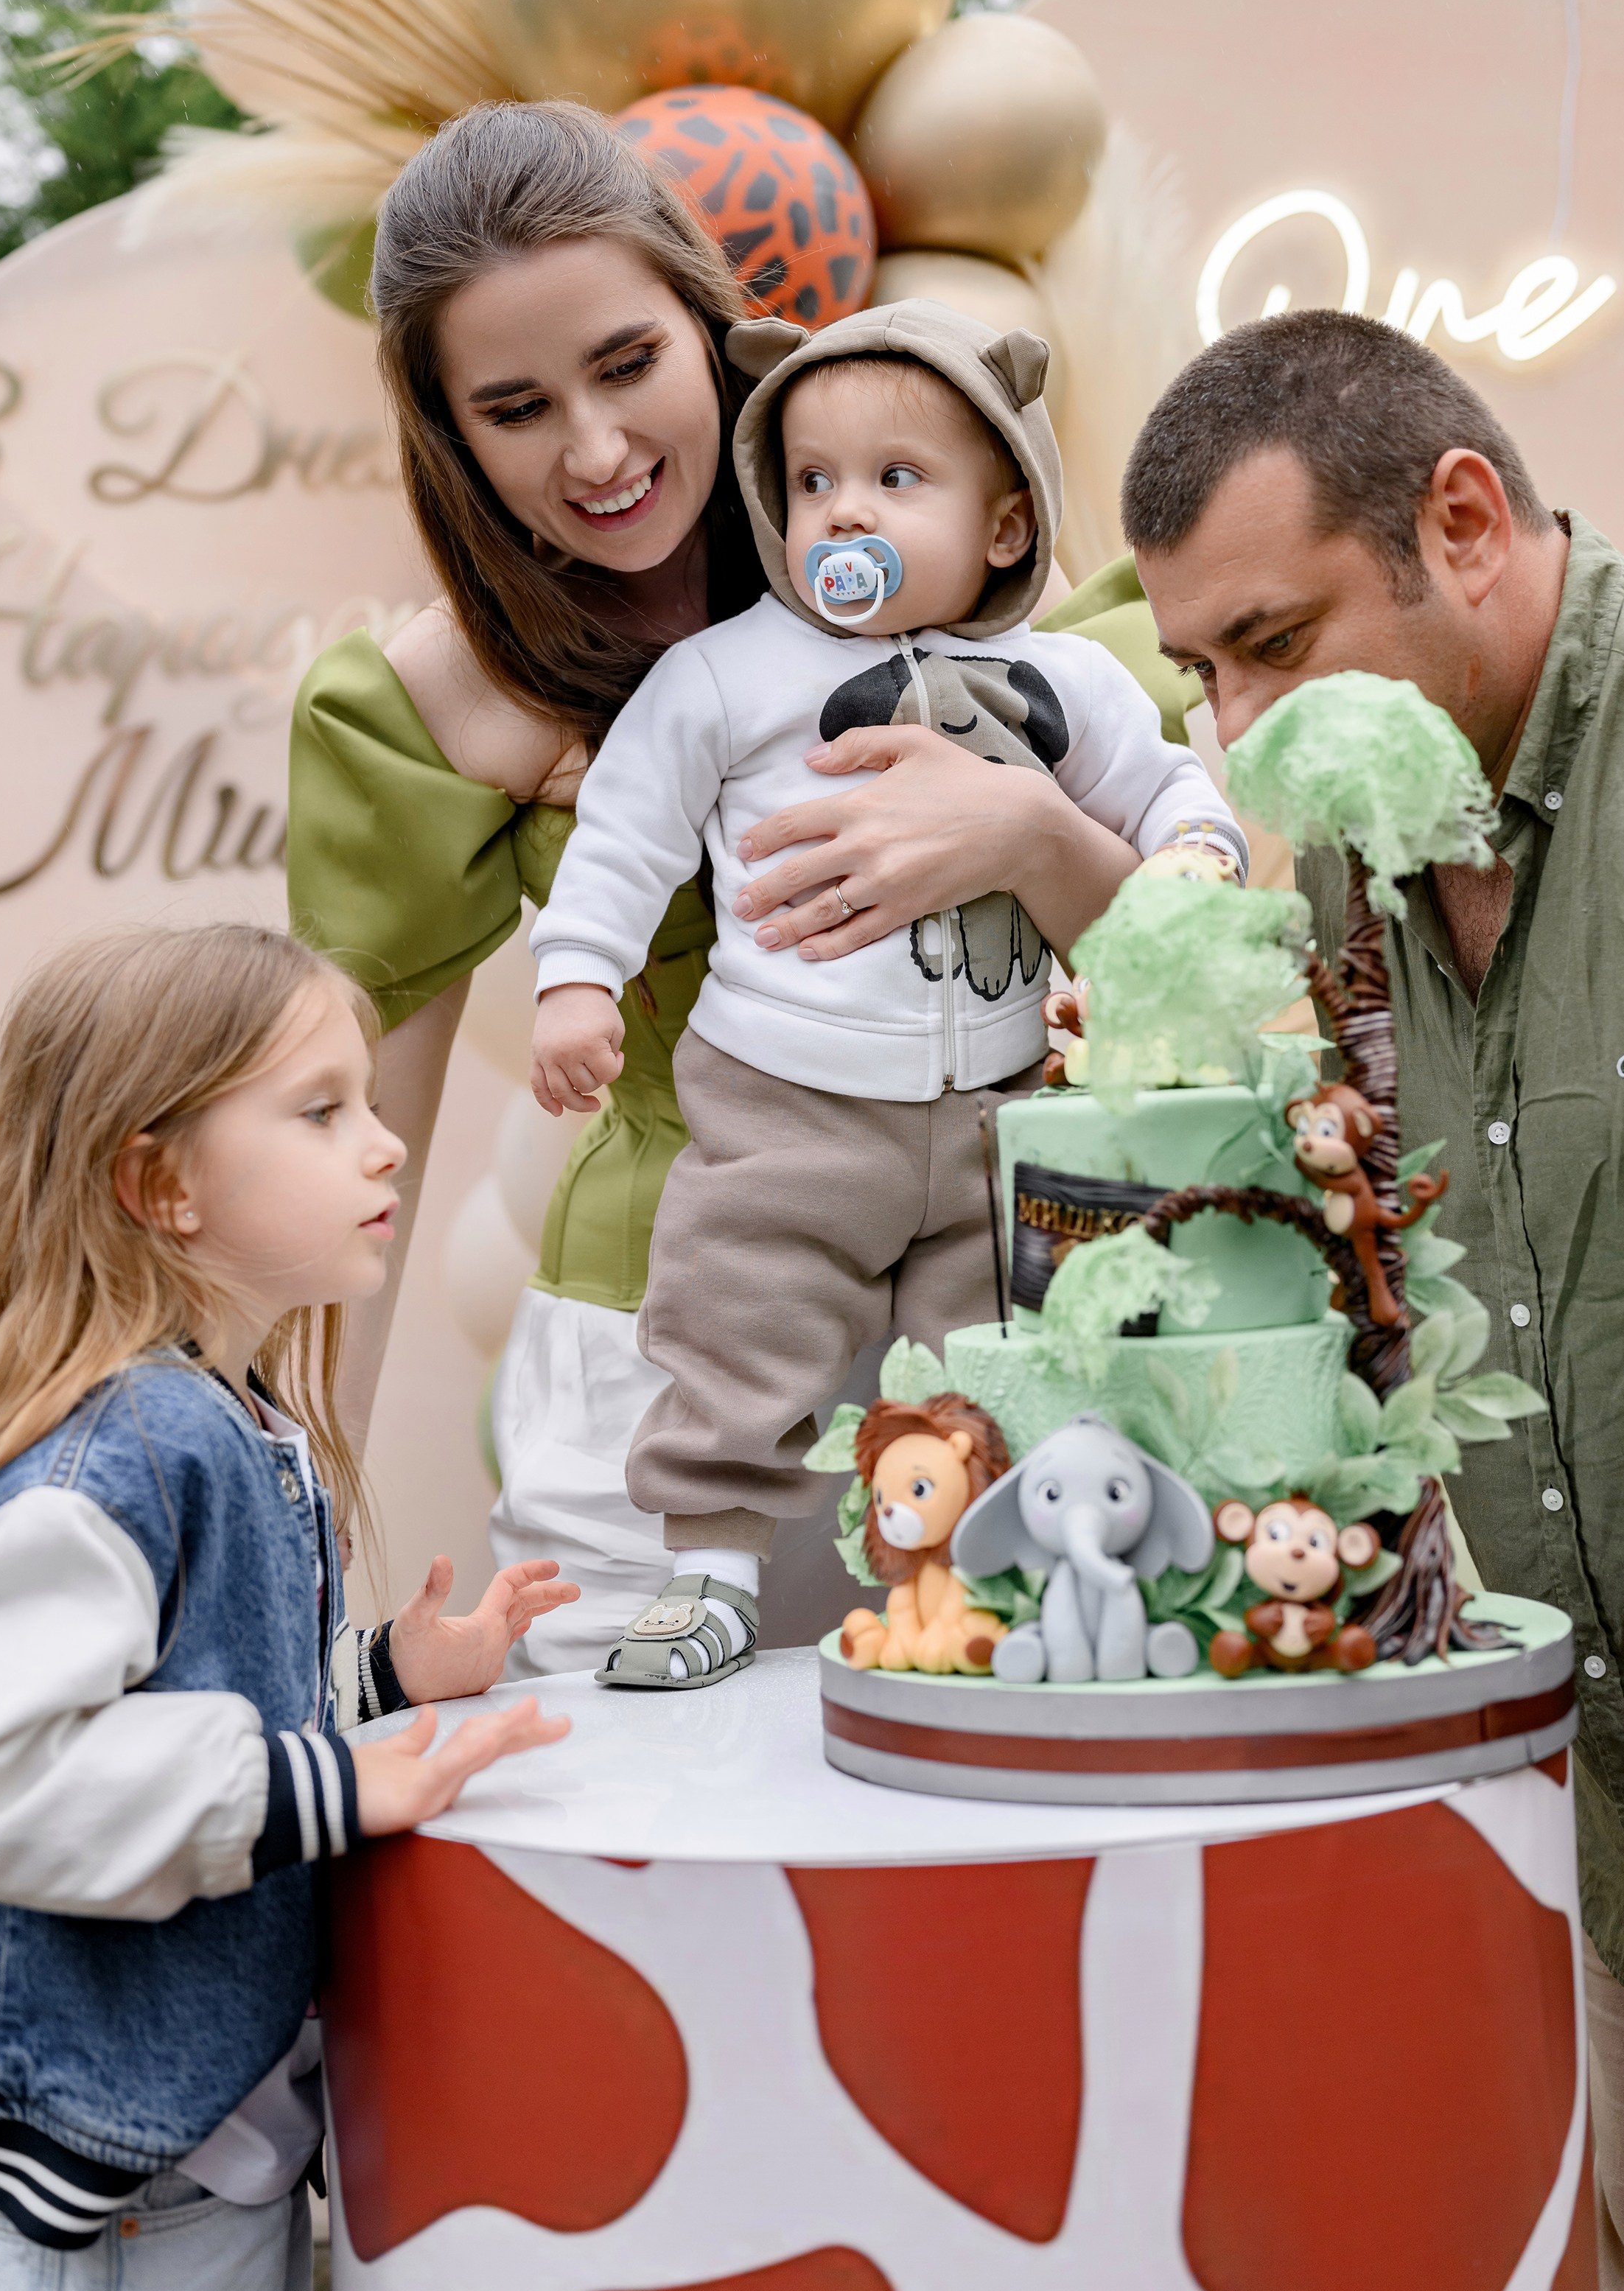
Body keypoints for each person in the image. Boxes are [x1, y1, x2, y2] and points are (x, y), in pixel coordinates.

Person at [287, 99, 1186, 1671]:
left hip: (993, 1320)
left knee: (1010, 1755)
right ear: (449, 434)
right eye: (515, 407)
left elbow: (1179, 970)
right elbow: (348, 1147)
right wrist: (283, 1541)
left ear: (709, 326)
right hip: (660, 1349)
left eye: (629, 363)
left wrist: (1023, 834)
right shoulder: (439, 700)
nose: (596, 450)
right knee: (647, 1788)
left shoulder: (946, 552)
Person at [1122, 304, 1624, 2291]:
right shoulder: (1351, 833)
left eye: (1274, 643)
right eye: (1204, 673)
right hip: (1592, 1826)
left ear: (1464, 522)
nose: (1239, 730)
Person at [529, 300, 1242, 1686]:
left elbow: (1162, 785)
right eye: (812, 483)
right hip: (787, 1098)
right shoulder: (727, 674)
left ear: (1006, 524)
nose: (844, 512)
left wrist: (1196, 850)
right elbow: (623, 834)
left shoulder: (1066, 677)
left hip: (1002, 1105)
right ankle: (711, 1570)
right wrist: (577, 981)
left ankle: (983, 1585)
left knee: (1004, 1350)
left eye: (896, 479)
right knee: (737, 1315)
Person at [0, 923, 572, 2291]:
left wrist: (383, 1680)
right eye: (320, 1112)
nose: (386, 1144)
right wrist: (334, 1783)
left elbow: (206, 1704)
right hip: (103, 2221)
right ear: (161, 1186)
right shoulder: (125, 1451)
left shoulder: (232, 1421)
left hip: (198, 2165)